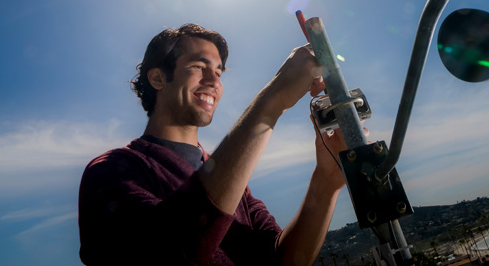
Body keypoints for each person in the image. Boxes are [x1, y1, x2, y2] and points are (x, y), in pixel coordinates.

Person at [78, 23, 351, 266]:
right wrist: (272, 101)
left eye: (218, 72)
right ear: (158, 78)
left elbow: (284, 259)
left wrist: (325, 183)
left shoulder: (236, 188)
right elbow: (169, 252)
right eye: (199, 67)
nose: (214, 82)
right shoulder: (112, 171)